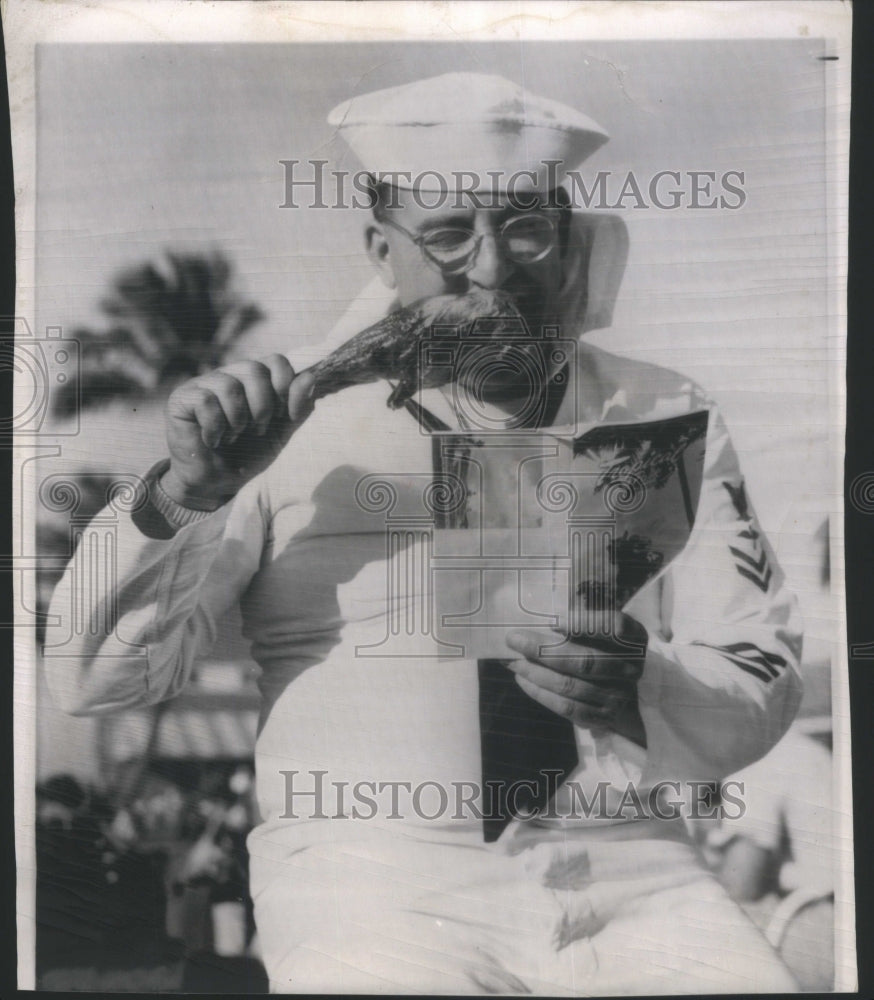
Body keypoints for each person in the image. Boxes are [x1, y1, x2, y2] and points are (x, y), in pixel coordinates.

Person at [46, 72, 804, 994]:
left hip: (635, 870)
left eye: (524, 225)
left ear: (569, 239)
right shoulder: (278, 430)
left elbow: (762, 675)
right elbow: (89, 681)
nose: (491, 269)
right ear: (381, 247)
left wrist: (640, 680)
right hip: (374, 878)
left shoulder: (668, 413)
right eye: (447, 233)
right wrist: (183, 498)